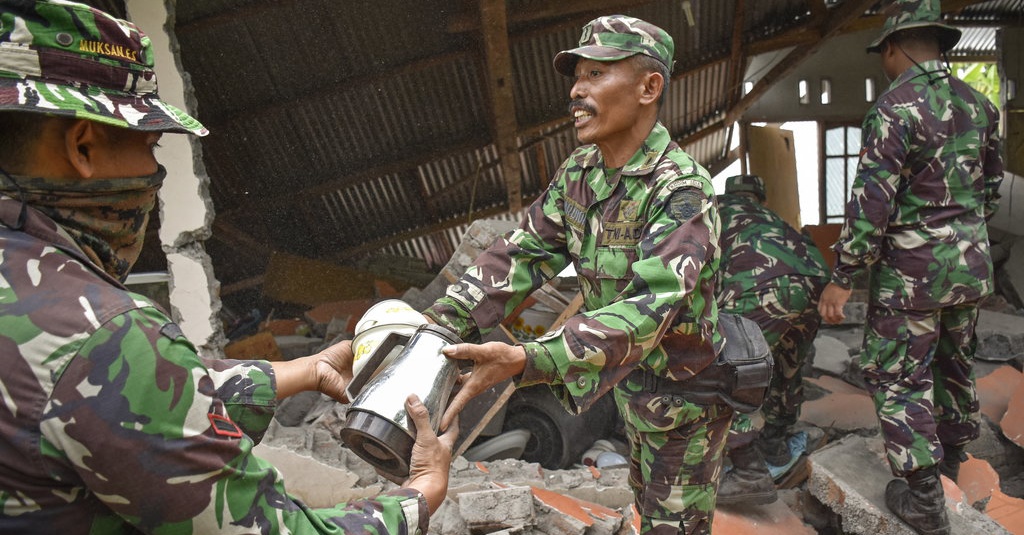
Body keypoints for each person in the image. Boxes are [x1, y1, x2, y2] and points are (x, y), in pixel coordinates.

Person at [0, 2, 456, 533]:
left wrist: (303, 371)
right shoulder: (106, 333)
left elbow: (116, 402)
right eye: (149, 144)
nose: (154, 170)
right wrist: (418, 496)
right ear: (83, 146)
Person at [424, 15, 730, 534]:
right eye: (577, 76)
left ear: (649, 88)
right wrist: (439, 324)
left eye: (595, 74)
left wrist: (527, 359)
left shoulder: (681, 188)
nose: (576, 91)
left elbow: (647, 310)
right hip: (626, 387)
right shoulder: (580, 172)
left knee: (672, 526)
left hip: (682, 403)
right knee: (646, 508)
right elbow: (521, 254)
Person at [817, 0, 1003, 533]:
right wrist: (960, 236)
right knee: (954, 361)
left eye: (883, 53)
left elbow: (871, 202)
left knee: (899, 374)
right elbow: (990, 191)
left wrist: (843, 276)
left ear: (895, 48)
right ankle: (950, 465)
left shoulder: (894, 108)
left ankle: (923, 497)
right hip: (970, 269)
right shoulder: (981, 105)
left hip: (912, 276)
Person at [713, 175, 829, 506]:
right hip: (816, 282)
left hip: (761, 285)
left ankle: (748, 471)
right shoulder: (770, 217)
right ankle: (774, 442)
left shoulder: (714, 210)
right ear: (760, 198)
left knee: (724, 374)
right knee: (786, 367)